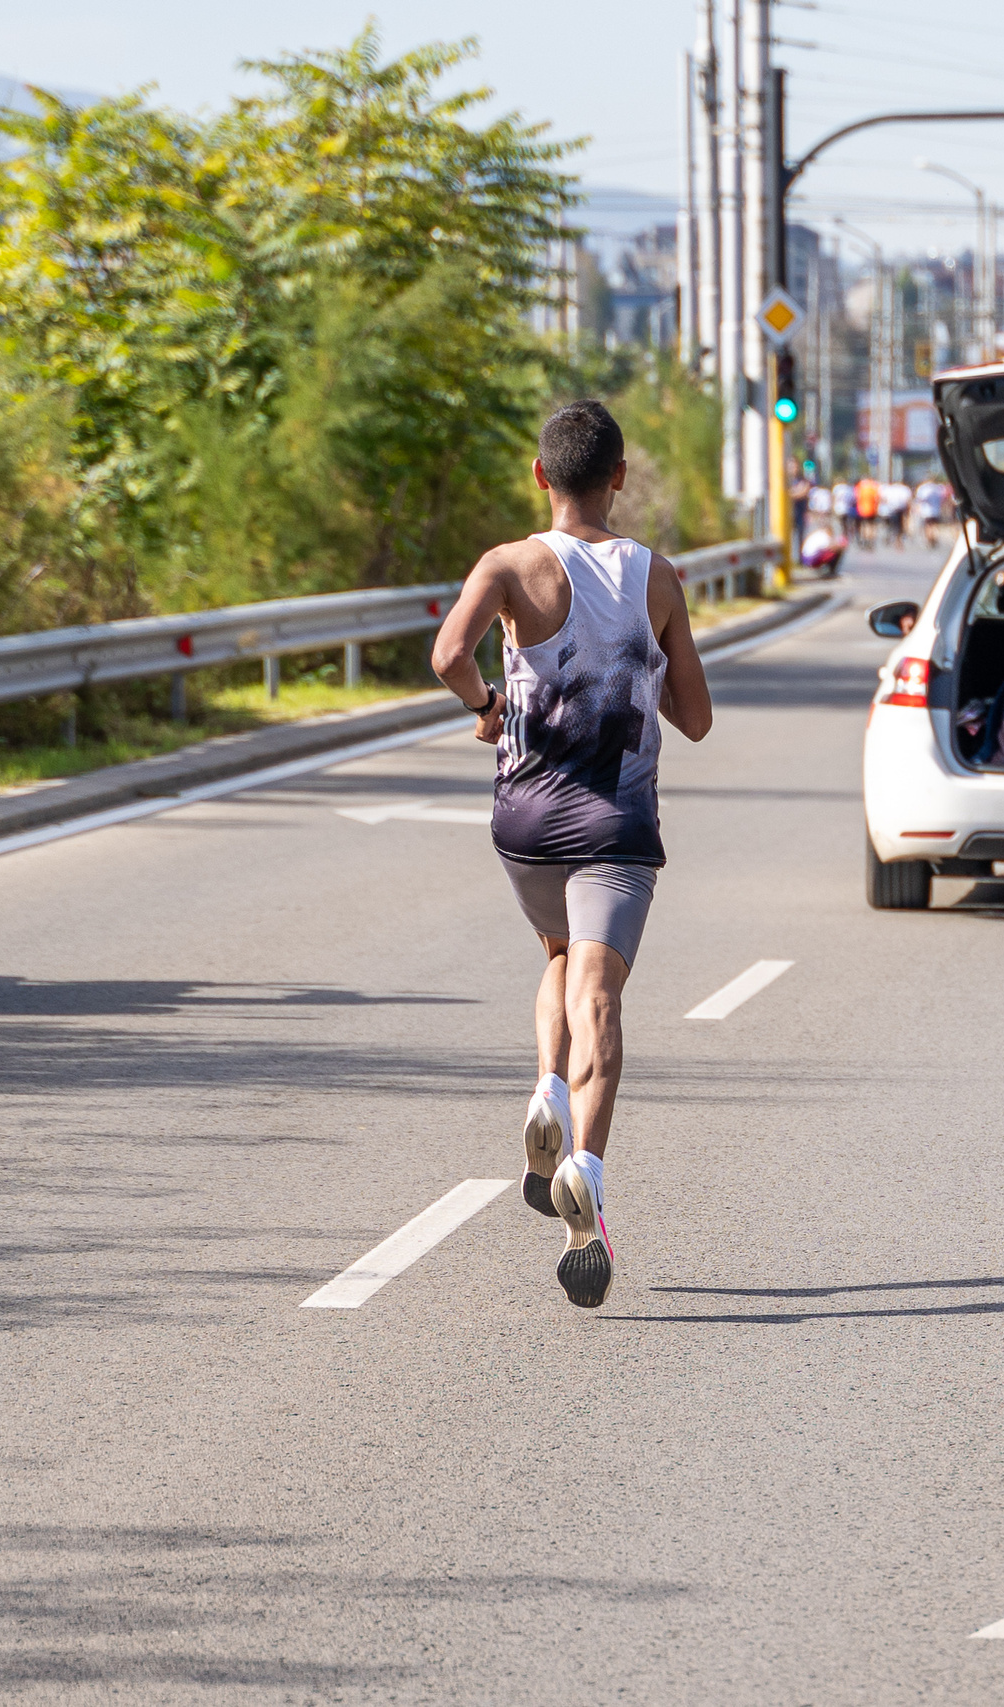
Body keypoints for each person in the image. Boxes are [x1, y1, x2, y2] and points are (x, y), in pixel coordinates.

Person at [428, 400, 715, 1308]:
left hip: (525, 824)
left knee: (556, 955)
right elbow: (697, 719)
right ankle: (584, 1164)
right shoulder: (655, 577)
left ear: (542, 477)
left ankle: (545, 1091)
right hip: (616, 828)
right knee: (599, 992)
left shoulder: (507, 566)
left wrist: (488, 707)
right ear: (619, 478)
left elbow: (446, 655)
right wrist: (644, 668)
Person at [913, 476, 952, 547]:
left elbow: (919, 500)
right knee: (934, 525)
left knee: (928, 526)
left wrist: (917, 509)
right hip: (936, 510)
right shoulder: (937, 488)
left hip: (926, 511)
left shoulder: (923, 488)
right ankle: (935, 536)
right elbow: (942, 498)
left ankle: (930, 539)